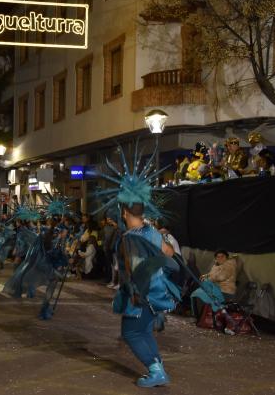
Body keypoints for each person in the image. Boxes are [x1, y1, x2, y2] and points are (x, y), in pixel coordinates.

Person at [95, 144, 180, 388]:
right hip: (158, 292)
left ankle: (156, 371)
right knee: (142, 332)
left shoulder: (129, 238)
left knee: (131, 333)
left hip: (142, 293)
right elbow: (170, 252)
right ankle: (157, 367)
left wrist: (134, 295)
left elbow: (134, 268)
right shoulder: (152, 230)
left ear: (123, 211)